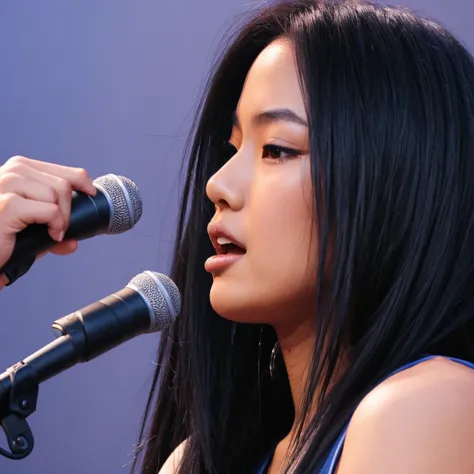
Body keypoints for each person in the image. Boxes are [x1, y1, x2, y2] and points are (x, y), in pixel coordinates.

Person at [2, 0, 474, 472]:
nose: (218, 185)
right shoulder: (199, 460)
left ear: (399, 181)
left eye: (276, 149)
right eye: (233, 148)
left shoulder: (426, 405)